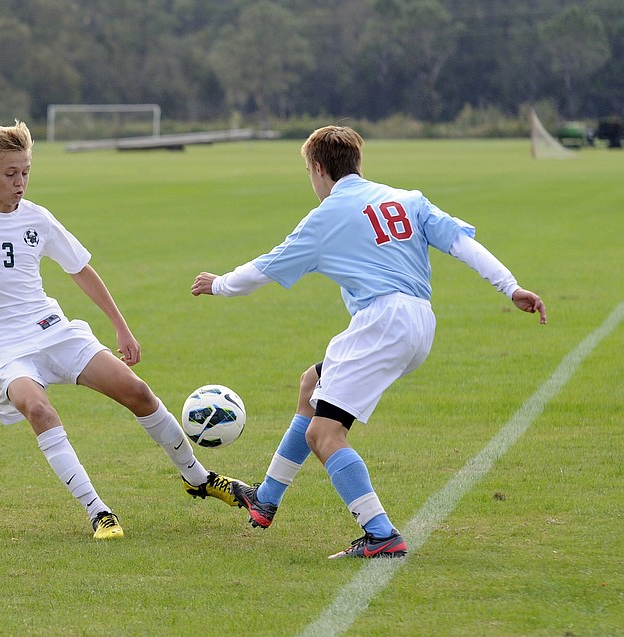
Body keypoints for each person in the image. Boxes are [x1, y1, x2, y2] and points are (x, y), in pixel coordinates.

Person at [192, 125, 547, 559]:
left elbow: (263, 269)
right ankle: (266, 499)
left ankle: (381, 534)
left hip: (382, 322)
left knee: (325, 434)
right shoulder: (407, 199)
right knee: (311, 385)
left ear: (319, 169)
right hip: (419, 322)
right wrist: (511, 288)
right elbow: (461, 244)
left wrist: (218, 285)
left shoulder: (326, 216)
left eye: (308, 171)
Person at [0, 120, 242, 541]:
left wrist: (121, 327)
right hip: (4, 351)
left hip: (53, 330)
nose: (21, 182)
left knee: (138, 392)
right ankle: (99, 512)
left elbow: (80, 270)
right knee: (37, 409)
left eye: (25, 172)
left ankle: (198, 477)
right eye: (10, 174)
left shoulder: (38, 218)